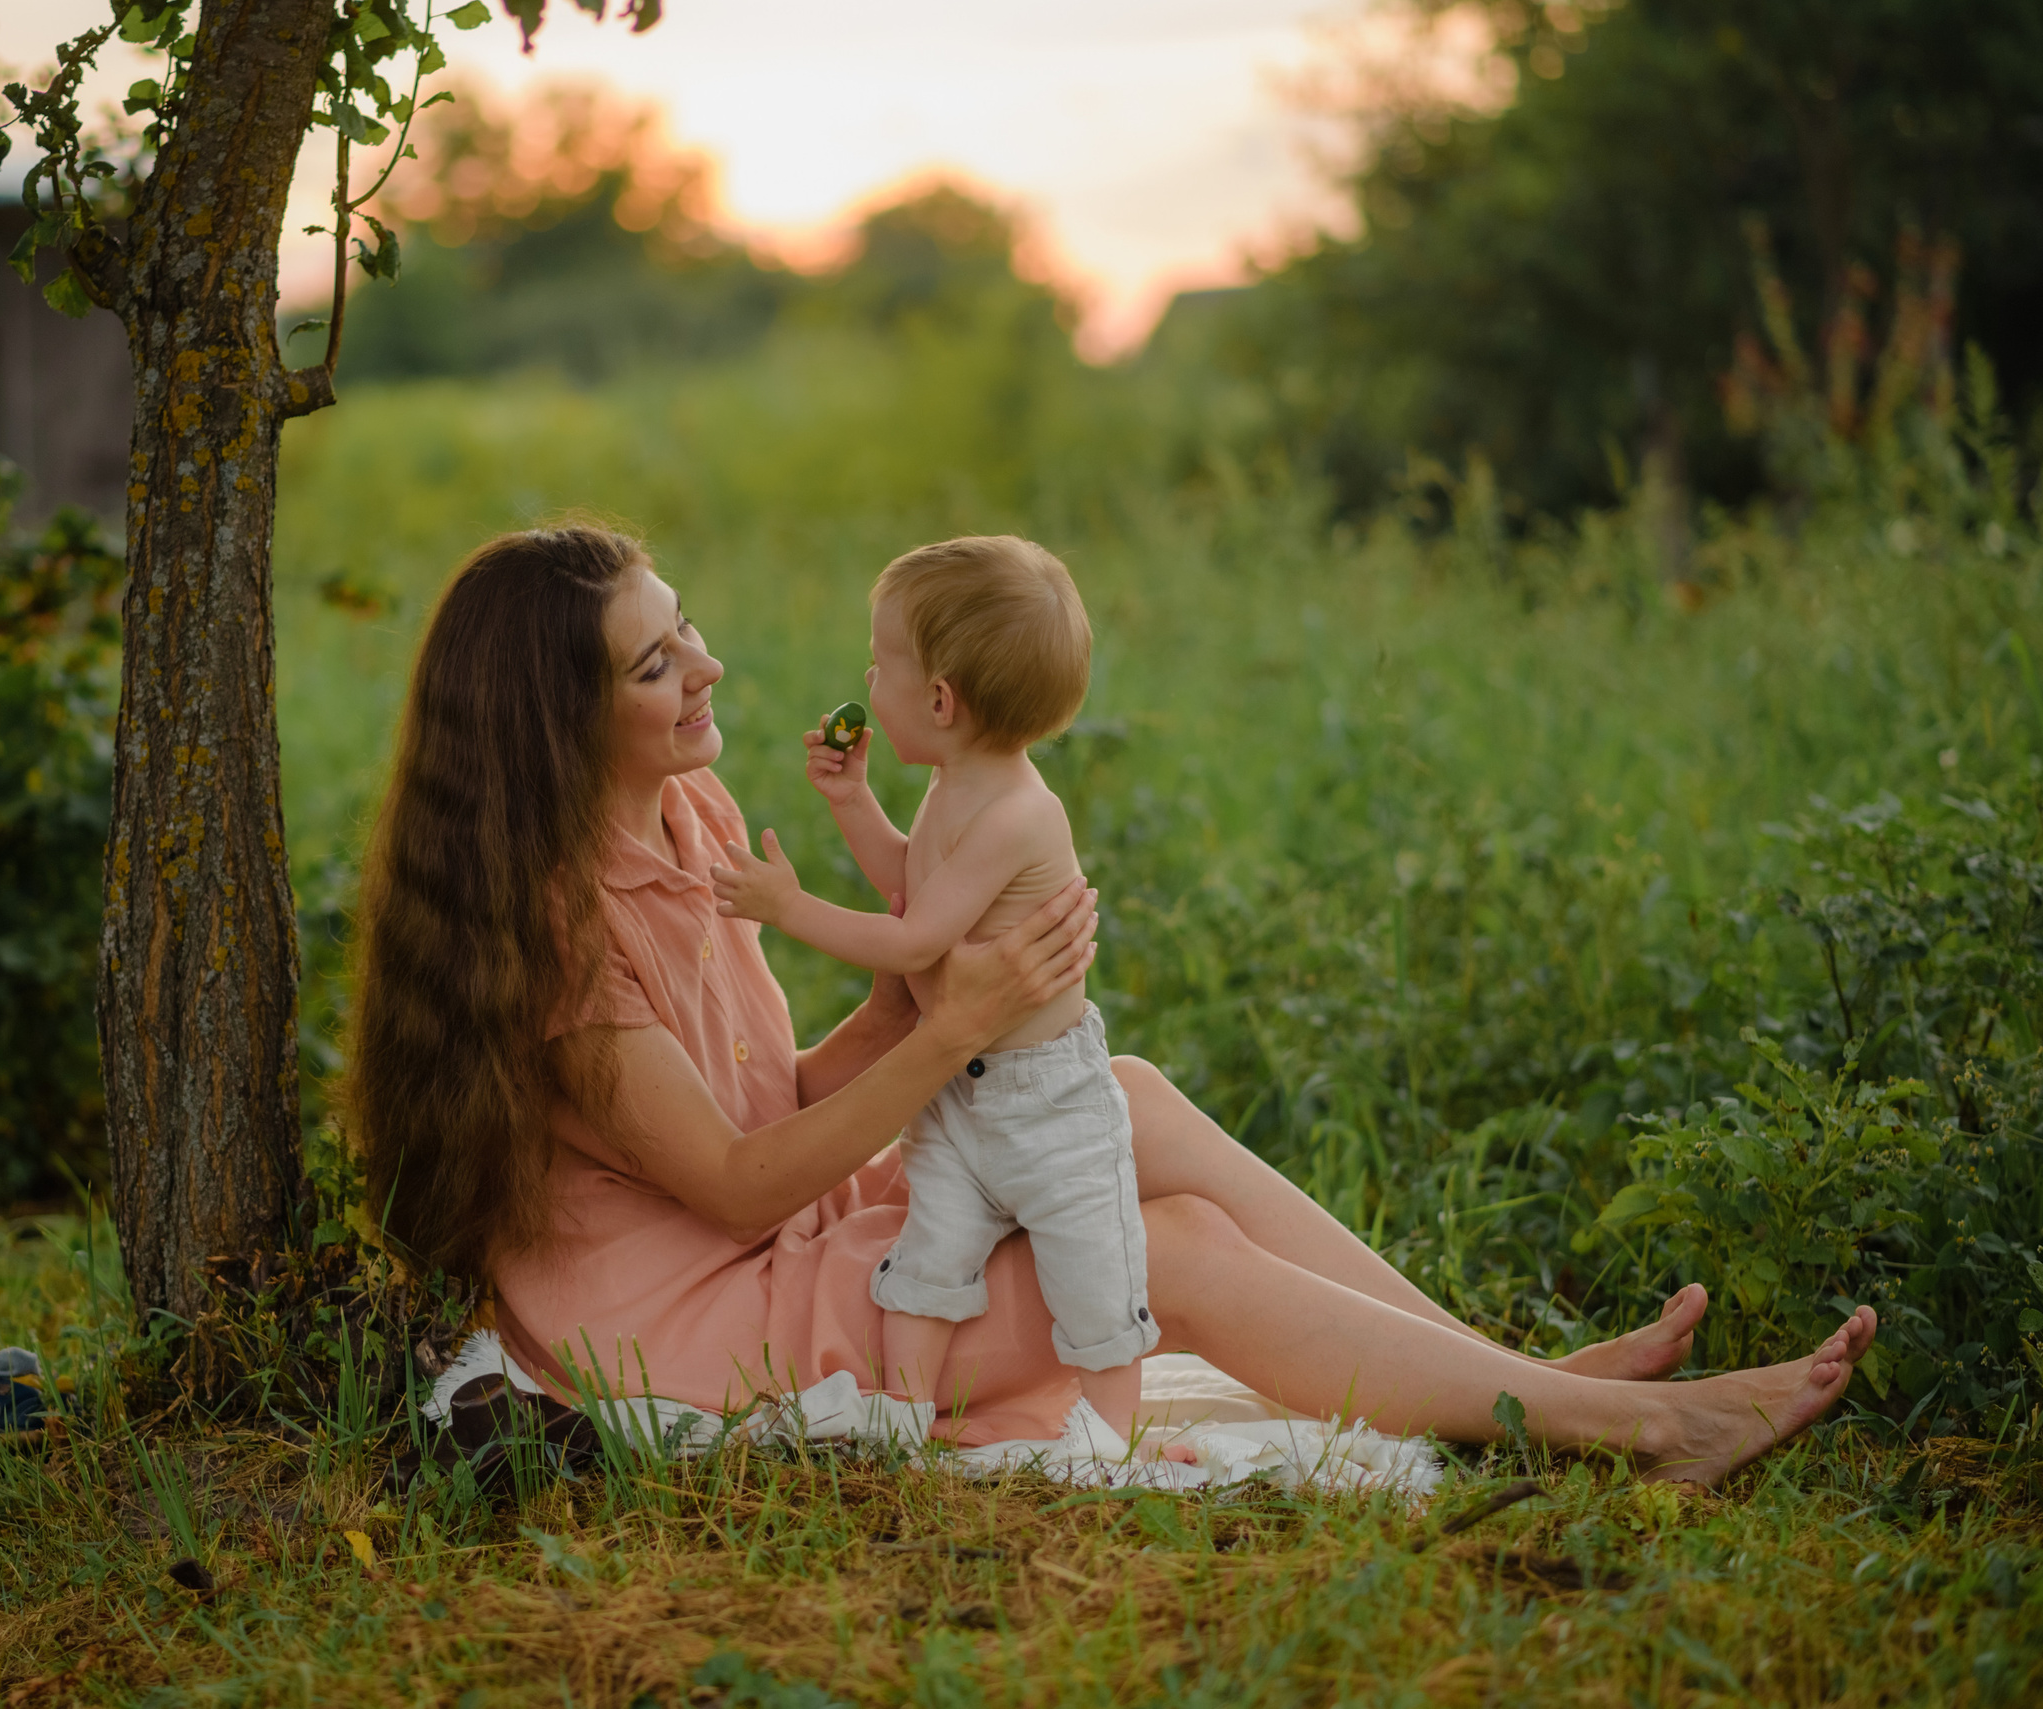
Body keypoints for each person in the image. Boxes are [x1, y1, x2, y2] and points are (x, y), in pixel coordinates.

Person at [349, 524, 1876, 1482]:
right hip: (691, 1324)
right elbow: (740, 1181)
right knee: (1153, 1246)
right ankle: (1638, 1430)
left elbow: (772, 1102)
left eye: (684, 631)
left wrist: (928, 997)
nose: (710, 666)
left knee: (1118, 1092)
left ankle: (1516, 1381)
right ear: (564, 721)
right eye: (656, 661)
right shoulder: (553, 941)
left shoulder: (680, 821)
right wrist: (952, 1027)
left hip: (761, 1232)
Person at [707, 536, 1152, 1440]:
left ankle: (1114, 1437)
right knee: (930, 1256)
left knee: (1094, 1264)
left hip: (1047, 1100)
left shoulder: (1020, 813)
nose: (869, 681)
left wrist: (786, 906)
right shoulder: (958, 784)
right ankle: (898, 1416)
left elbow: (913, 936)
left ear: (940, 700)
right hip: (958, 1091)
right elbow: (913, 881)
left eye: (883, 667)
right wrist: (853, 803)